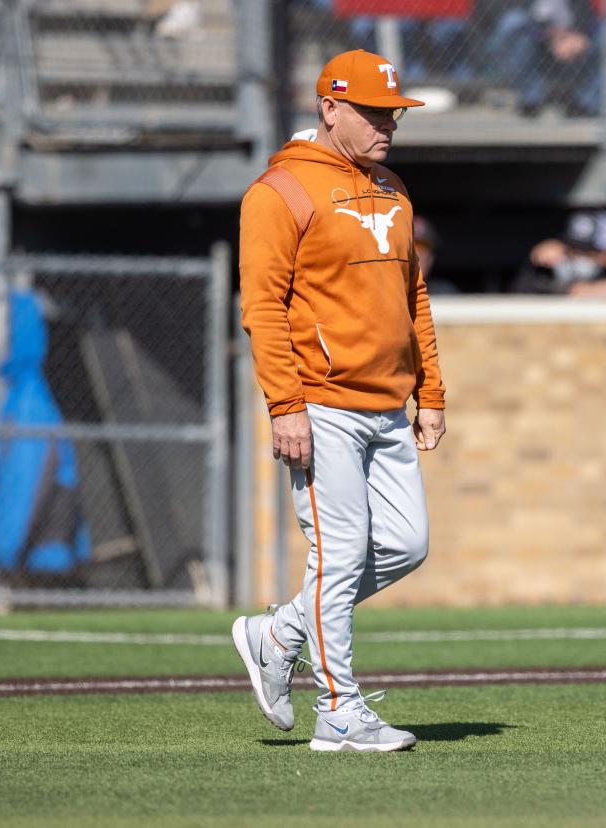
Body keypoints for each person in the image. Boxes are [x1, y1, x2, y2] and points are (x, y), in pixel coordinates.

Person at [234, 49, 446, 754]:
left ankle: (279, 634)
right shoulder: (279, 190)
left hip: (387, 407)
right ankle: (339, 712)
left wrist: (432, 391)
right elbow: (262, 308)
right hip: (321, 404)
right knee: (341, 551)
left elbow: (411, 294)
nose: (389, 124)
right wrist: (284, 405)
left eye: (394, 112)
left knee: (407, 545)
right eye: (374, 112)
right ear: (329, 108)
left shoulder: (391, 186)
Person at [510, 209, 606, 296]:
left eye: (587, 252)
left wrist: (602, 290)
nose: (577, 256)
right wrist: (534, 264)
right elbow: (518, 296)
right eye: (572, 249)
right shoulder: (549, 274)